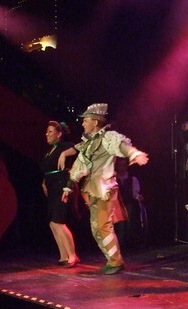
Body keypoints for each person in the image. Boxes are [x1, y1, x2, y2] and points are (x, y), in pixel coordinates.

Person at [60, 103, 149, 274]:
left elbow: (121, 146)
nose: (83, 123)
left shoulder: (108, 137)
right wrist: (69, 187)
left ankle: (116, 261)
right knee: (96, 228)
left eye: (86, 120)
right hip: (92, 189)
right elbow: (79, 166)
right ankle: (112, 259)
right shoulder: (89, 143)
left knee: (102, 226)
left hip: (104, 188)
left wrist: (134, 153)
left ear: (95, 122)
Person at [40, 121, 79, 267]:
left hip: (61, 186)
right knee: (53, 223)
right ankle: (63, 256)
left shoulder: (63, 146)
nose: (47, 134)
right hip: (52, 188)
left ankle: (73, 256)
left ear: (59, 134)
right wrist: (44, 182)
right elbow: (48, 170)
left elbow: (78, 148)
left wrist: (64, 154)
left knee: (58, 222)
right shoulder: (49, 151)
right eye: (47, 131)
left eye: (50, 131)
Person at [114, 156, 147, 250]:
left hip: (128, 204)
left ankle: (128, 245)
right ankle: (119, 246)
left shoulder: (132, 179)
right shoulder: (113, 178)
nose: (122, 168)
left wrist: (138, 196)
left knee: (128, 224)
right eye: (120, 165)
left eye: (124, 165)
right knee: (119, 225)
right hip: (117, 205)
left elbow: (134, 193)